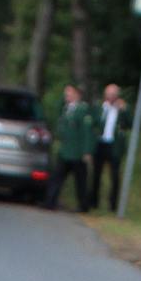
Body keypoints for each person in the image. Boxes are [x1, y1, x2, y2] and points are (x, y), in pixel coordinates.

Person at [46, 84, 95, 213]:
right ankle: (50, 201)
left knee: (80, 180)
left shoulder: (82, 110)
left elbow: (87, 132)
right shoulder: (66, 108)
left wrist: (87, 151)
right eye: (66, 93)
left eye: (69, 93)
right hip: (65, 151)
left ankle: (83, 205)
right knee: (57, 177)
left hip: (77, 152)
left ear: (77, 94)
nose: (66, 95)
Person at [89, 83, 128, 213]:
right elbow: (93, 123)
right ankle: (94, 201)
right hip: (100, 143)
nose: (111, 97)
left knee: (115, 176)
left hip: (113, 145)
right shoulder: (100, 107)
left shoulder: (120, 110)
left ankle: (113, 205)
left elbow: (129, 123)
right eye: (109, 94)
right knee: (96, 174)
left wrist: (124, 110)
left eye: (113, 94)